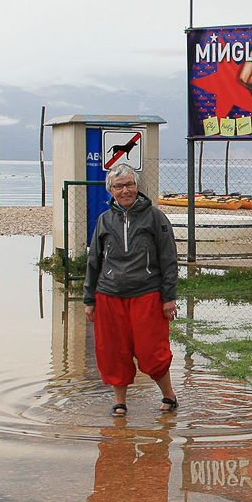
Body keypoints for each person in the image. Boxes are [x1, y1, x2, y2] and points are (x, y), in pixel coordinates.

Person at [83, 163, 179, 416]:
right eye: (119, 186)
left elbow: (169, 258)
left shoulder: (155, 217)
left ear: (137, 187)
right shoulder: (104, 220)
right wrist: (89, 298)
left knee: (152, 352)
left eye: (129, 184)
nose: (125, 190)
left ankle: (169, 395)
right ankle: (120, 402)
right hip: (109, 295)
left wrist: (169, 298)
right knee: (113, 351)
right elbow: (94, 261)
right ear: (111, 191)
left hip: (147, 294)